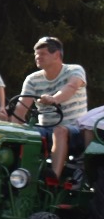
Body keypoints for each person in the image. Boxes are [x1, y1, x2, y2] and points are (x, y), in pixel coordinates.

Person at [13, 35, 87, 182]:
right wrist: (12, 128)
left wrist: (55, 99)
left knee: (60, 130)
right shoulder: (33, 79)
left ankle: (53, 177)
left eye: (42, 54)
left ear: (57, 55)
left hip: (75, 129)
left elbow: (71, 87)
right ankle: (17, 176)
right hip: (45, 129)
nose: (37, 57)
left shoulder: (74, 70)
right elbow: (21, 109)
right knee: (22, 134)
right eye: (36, 54)